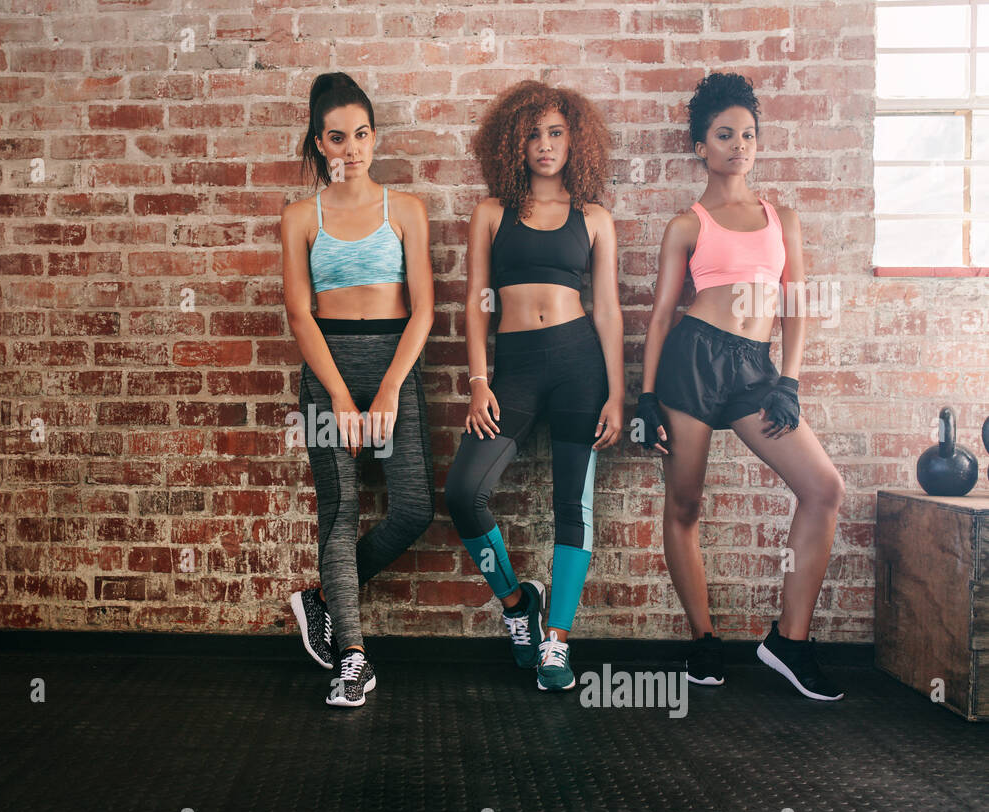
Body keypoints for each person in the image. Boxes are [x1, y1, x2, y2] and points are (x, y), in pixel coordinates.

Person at [635, 72, 846, 700]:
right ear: (701, 145)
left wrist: (790, 380)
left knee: (824, 489)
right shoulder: (687, 224)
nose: (738, 145)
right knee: (686, 505)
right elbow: (663, 314)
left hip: (756, 369)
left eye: (748, 135)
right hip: (691, 363)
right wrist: (646, 398)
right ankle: (704, 640)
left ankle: (789, 641)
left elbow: (797, 306)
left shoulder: (783, 218)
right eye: (724, 135)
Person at [444, 81, 624, 692]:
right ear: (513, 142)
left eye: (555, 132)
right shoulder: (491, 212)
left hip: (580, 365)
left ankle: (557, 642)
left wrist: (618, 395)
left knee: (573, 507)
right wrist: (476, 380)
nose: (544, 145)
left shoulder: (594, 218)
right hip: (514, 369)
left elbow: (608, 311)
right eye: (532, 133)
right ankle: (519, 604)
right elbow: (475, 304)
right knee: (465, 493)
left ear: (575, 140)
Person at [282, 72, 435, 707]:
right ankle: (353, 655)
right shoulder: (299, 217)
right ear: (320, 144)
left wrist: (390, 388)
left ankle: (320, 598)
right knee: (340, 512)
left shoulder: (406, 210)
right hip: (328, 372)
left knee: (412, 509)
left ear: (375, 138)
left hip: (395, 362)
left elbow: (424, 309)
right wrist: (341, 397)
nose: (351, 149)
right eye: (337, 137)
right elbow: (299, 314)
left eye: (362, 134)